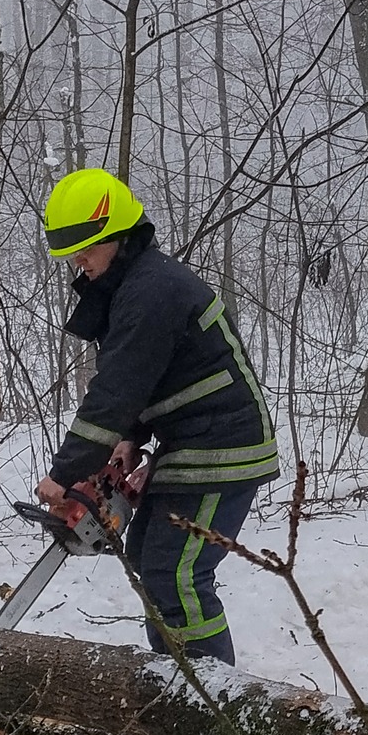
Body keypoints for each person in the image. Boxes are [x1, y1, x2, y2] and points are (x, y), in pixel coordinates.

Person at [36, 167, 278, 664]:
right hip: (191, 442)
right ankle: (175, 678)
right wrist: (129, 439)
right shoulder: (136, 288)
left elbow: (116, 390)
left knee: (177, 574)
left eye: (87, 248)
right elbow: (154, 378)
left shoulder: (152, 290)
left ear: (120, 237)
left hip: (222, 448)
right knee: (150, 559)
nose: (79, 261)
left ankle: (210, 694)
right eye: (73, 252)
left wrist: (65, 473)